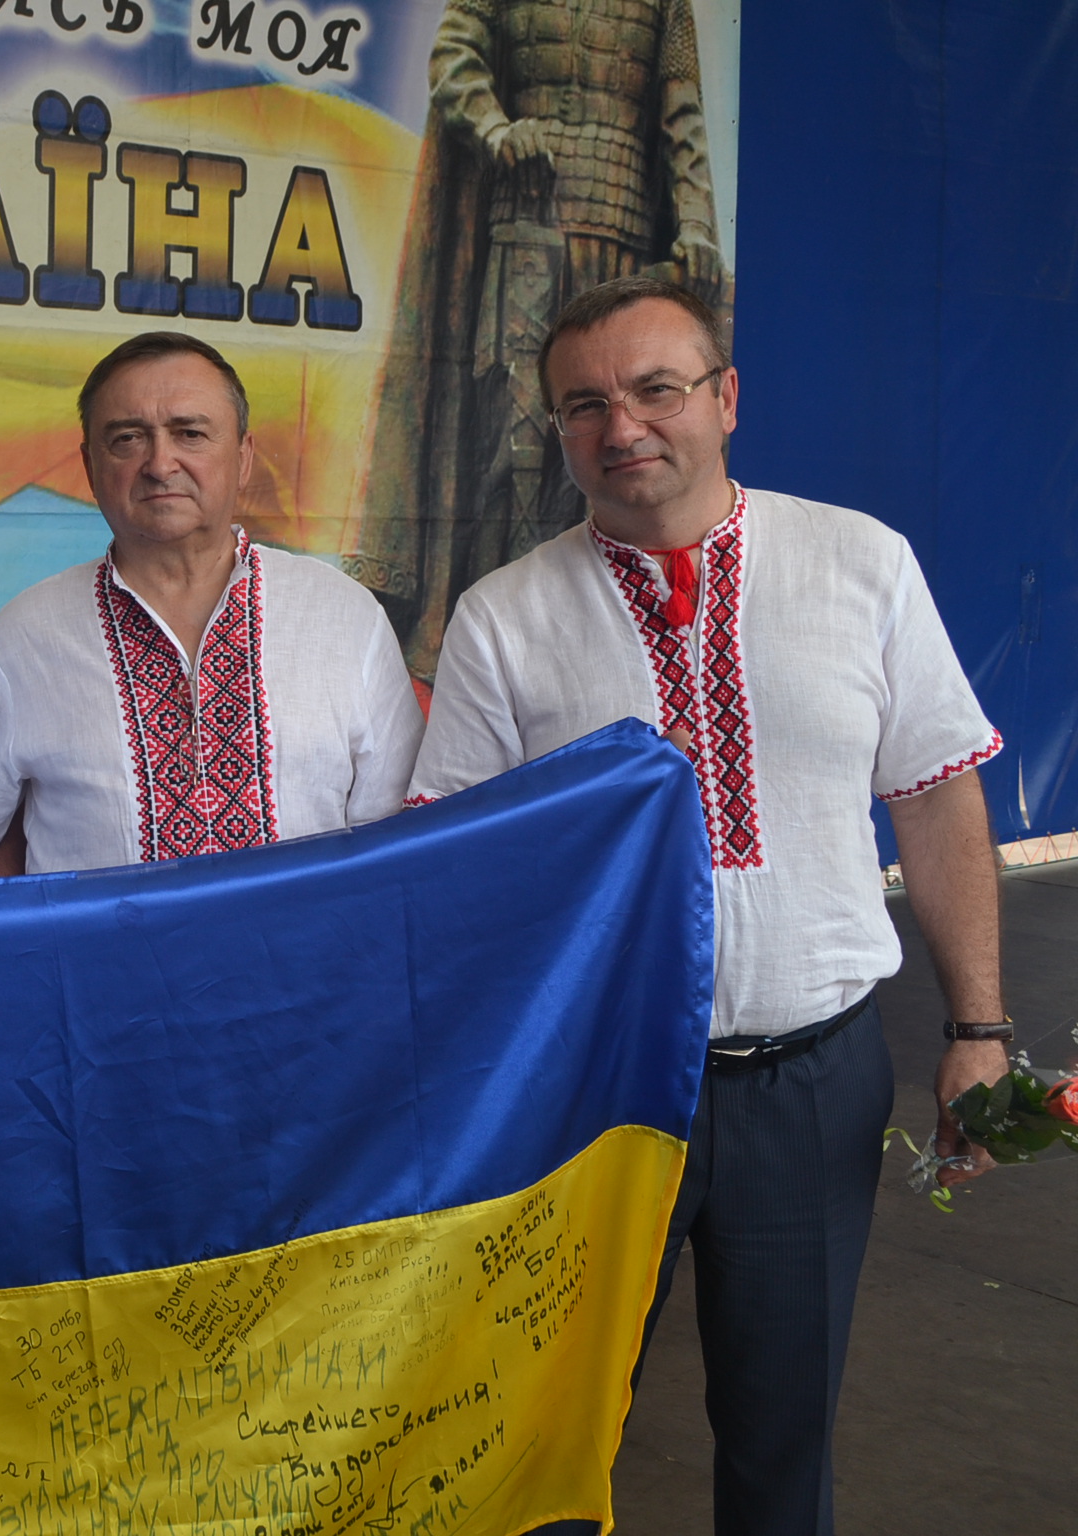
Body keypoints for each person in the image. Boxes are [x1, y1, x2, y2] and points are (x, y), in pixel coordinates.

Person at [408, 276, 1006, 1536]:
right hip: (593, 1097)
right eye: (585, 405)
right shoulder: (505, 618)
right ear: (559, 431)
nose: (621, 425)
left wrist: (979, 1030)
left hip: (812, 1085)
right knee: (546, 1434)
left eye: (656, 389)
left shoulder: (860, 562)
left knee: (785, 1443)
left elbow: (936, 797)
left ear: (726, 399)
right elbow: (452, 864)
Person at [345, 0, 725, 682]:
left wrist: (694, 222)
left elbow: (682, 118)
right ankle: (498, 653)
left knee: (618, 456)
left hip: (623, 241)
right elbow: (455, 59)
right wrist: (495, 128)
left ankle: (607, 649)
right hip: (523, 225)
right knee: (513, 448)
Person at [0, 333, 424, 876]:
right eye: (128, 439)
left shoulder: (343, 616)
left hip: (310, 936)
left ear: (243, 457)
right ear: (89, 466)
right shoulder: (26, 637)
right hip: (105, 939)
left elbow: (400, 843)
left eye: (190, 434)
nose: (160, 463)